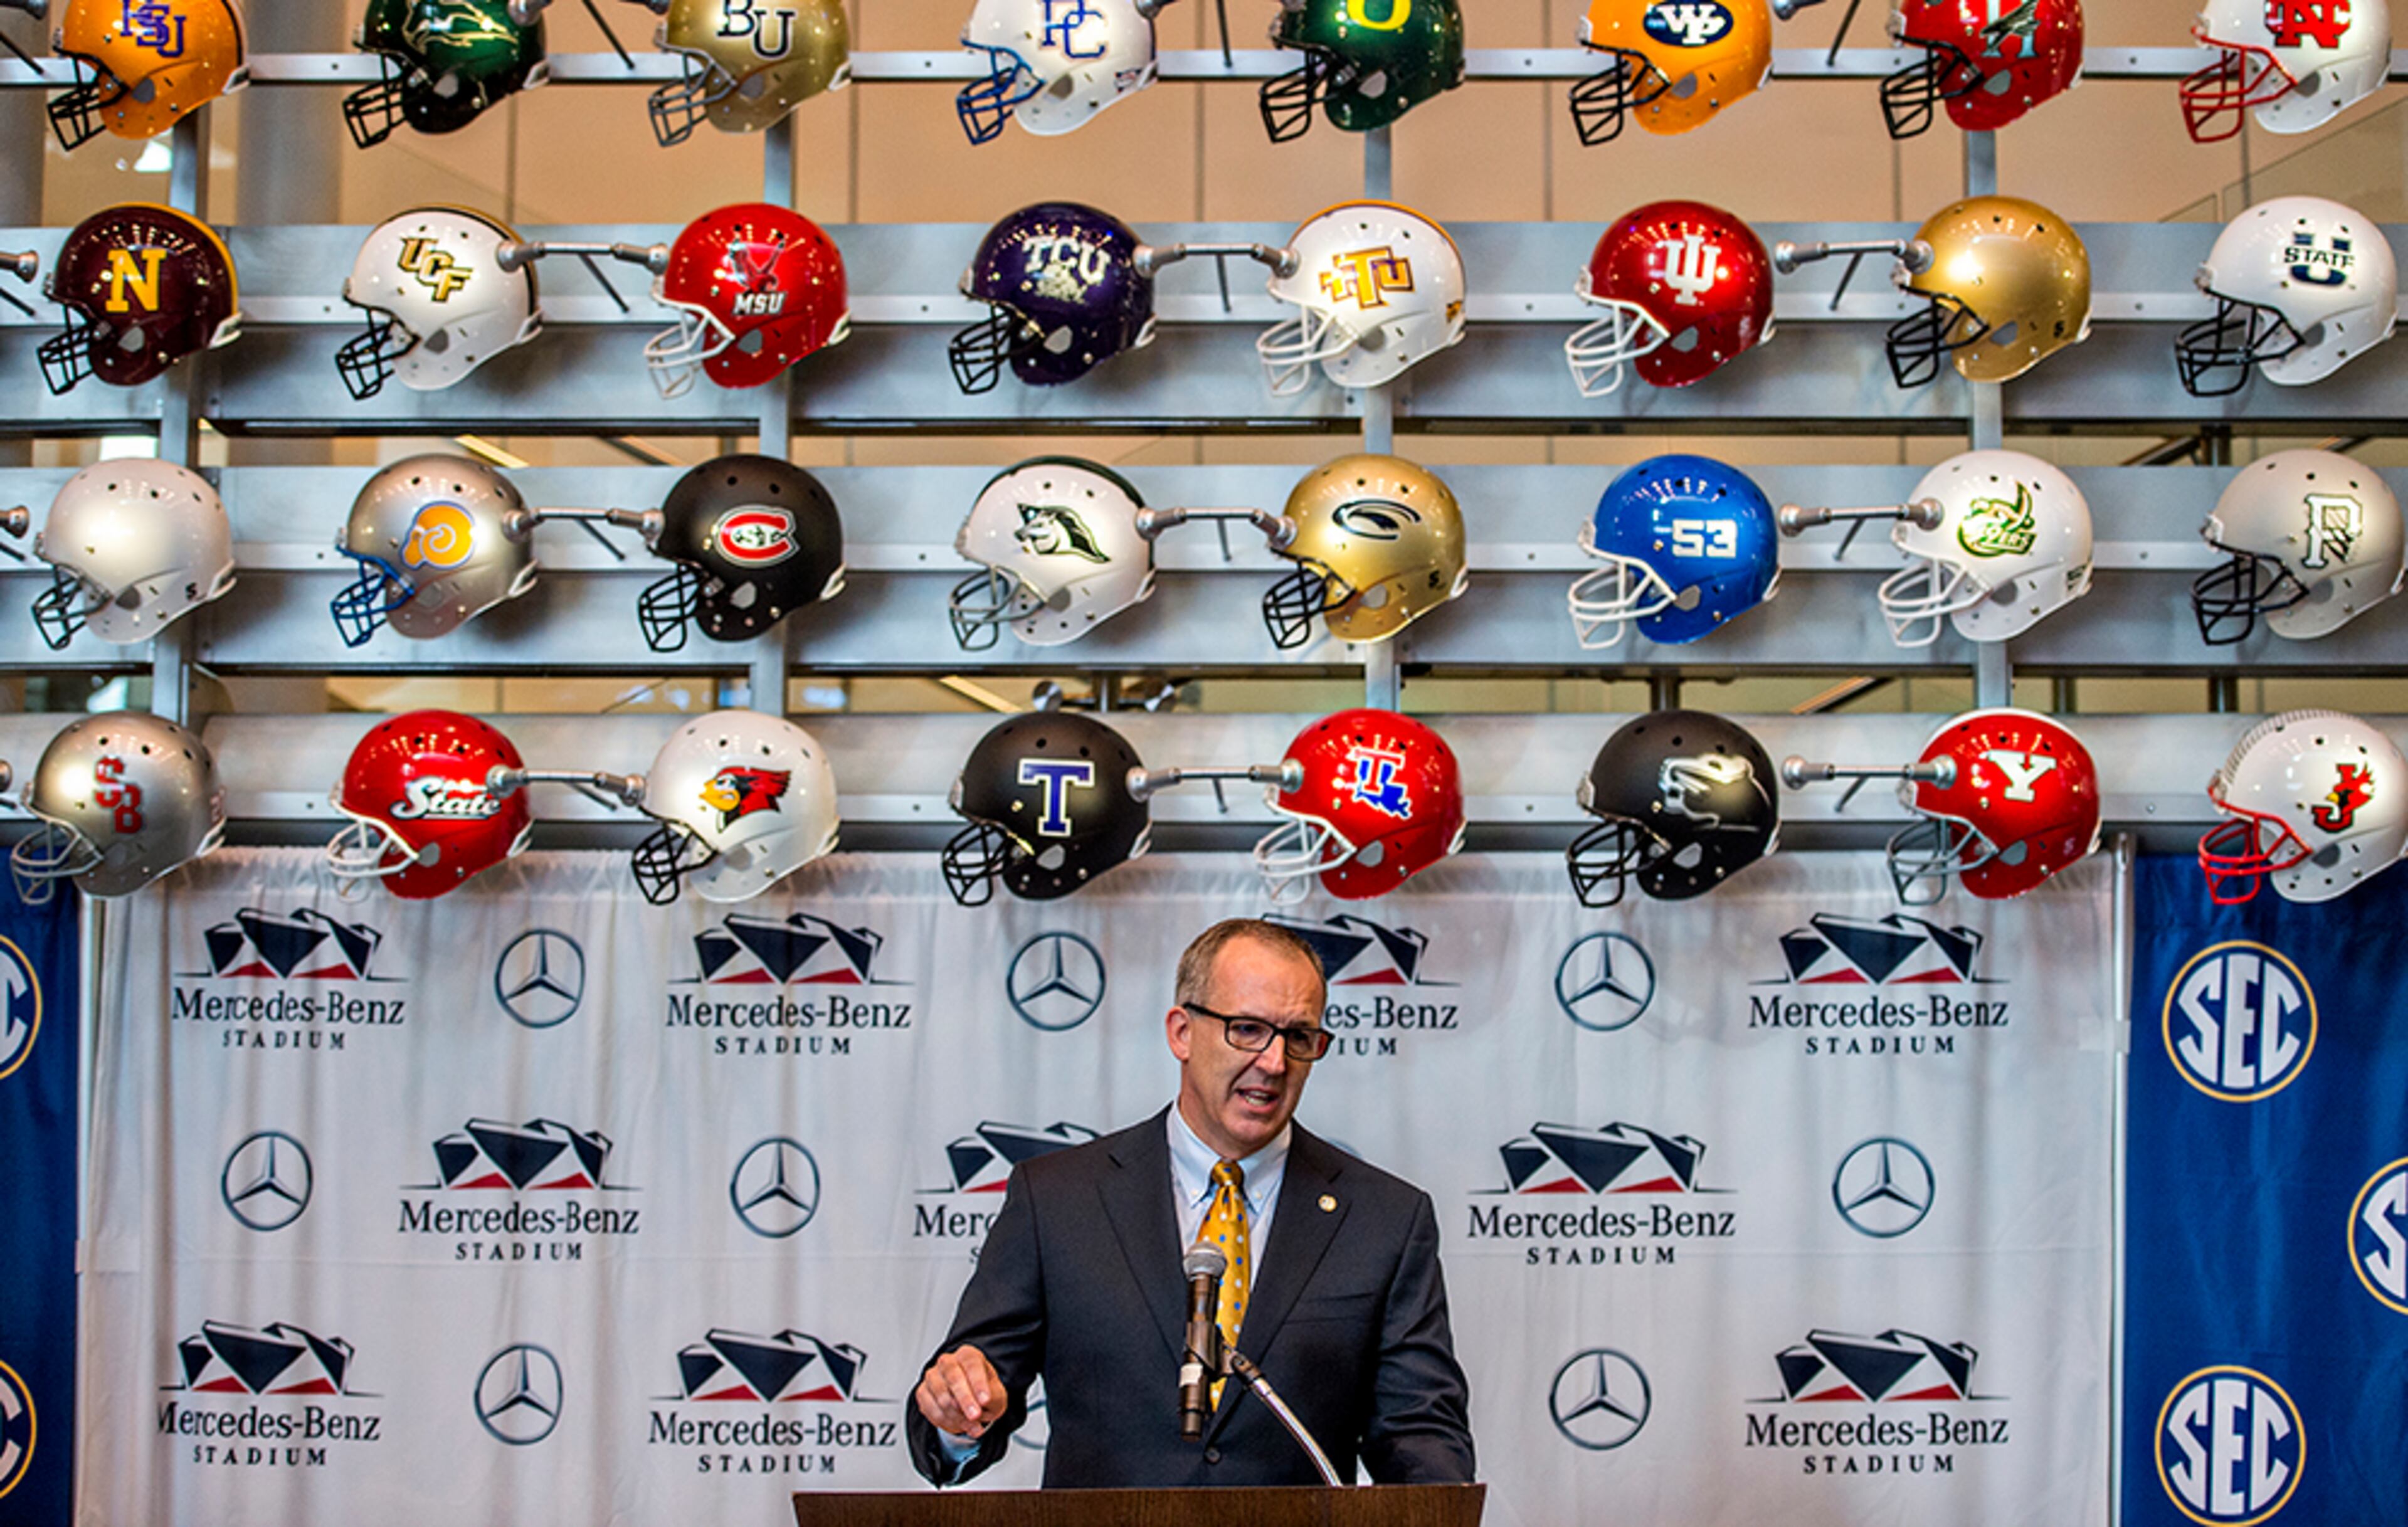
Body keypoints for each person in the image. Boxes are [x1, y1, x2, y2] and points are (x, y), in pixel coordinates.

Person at [907, 917, 1476, 1488]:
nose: (1275, 1063)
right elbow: (967, 1395)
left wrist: (1435, 1506)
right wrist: (958, 1412)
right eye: (1247, 1029)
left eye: (1299, 1037)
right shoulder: (1056, 1199)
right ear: (1182, 1031)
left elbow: (1419, 1432)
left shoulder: (1385, 1220)